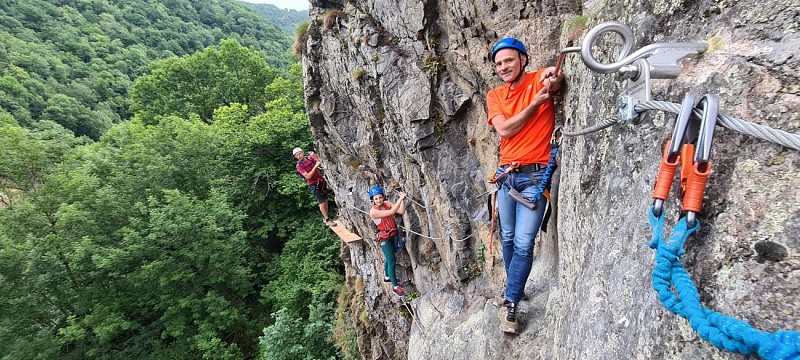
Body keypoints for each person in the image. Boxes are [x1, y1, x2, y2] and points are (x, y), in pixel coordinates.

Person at [486, 37, 564, 333]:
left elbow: (554, 81)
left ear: (522, 59)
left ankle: (511, 303)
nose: (503, 67)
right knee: (507, 238)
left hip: (536, 176)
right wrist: (535, 104)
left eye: (508, 60)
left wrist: (552, 80)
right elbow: (504, 129)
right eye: (499, 63)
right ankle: (514, 290)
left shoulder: (537, 80)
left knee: (523, 243)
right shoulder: (495, 95)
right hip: (507, 176)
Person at [368, 186, 407, 297]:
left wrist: (402, 199)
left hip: (393, 235)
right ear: (373, 200)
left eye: (380, 197)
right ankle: (395, 287)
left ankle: (387, 276)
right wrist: (400, 198)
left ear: (383, 197)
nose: (379, 200)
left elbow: (401, 211)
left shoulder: (387, 203)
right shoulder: (373, 212)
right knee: (392, 261)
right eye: (376, 199)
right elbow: (391, 212)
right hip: (385, 238)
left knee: (389, 257)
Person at [293, 147, 336, 226]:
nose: (299, 156)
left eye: (299, 153)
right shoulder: (299, 166)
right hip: (313, 184)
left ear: (302, 152)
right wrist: (315, 167)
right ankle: (327, 219)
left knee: (325, 200)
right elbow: (308, 176)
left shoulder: (310, 158)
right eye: (297, 155)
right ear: (295, 157)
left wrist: (315, 156)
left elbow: (320, 162)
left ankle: (327, 218)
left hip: (320, 181)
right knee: (322, 201)